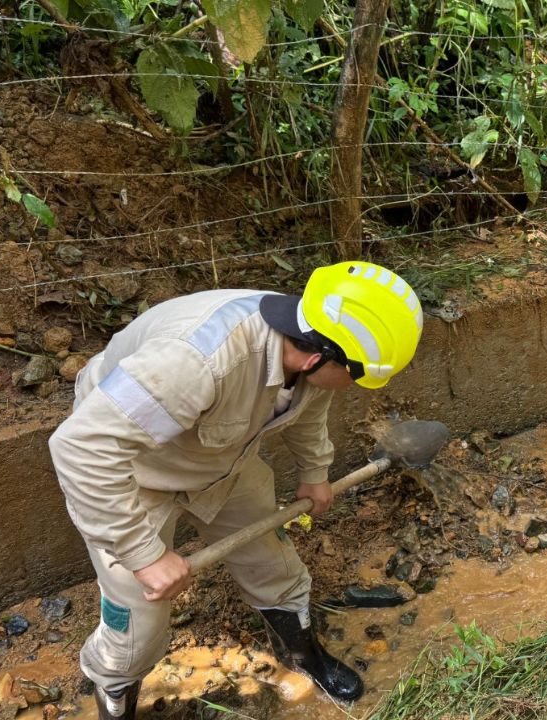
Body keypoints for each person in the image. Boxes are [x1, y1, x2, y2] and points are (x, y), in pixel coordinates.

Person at [49, 261, 424, 720]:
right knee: (138, 628)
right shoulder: (196, 359)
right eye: (358, 376)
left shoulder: (313, 334)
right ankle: (115, 699)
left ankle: (301, 655)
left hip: (220, 456)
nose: (358, 387)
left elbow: (308, 406)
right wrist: (141, 553)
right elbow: (81, 448)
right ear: (317, 356)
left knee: (273, 562)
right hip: (133, 472)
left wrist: (314, 470)